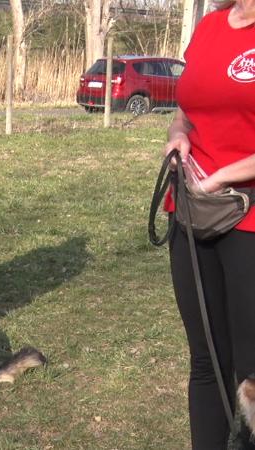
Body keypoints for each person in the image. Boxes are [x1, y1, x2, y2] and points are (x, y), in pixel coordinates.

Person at [163, 1, 255, 448]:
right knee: (206, 360)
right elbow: (187, 108)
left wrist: (222, 174)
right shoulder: (210, 27)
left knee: (251, 365)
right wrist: (177, 135)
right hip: (192, 211)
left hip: (249, 215)